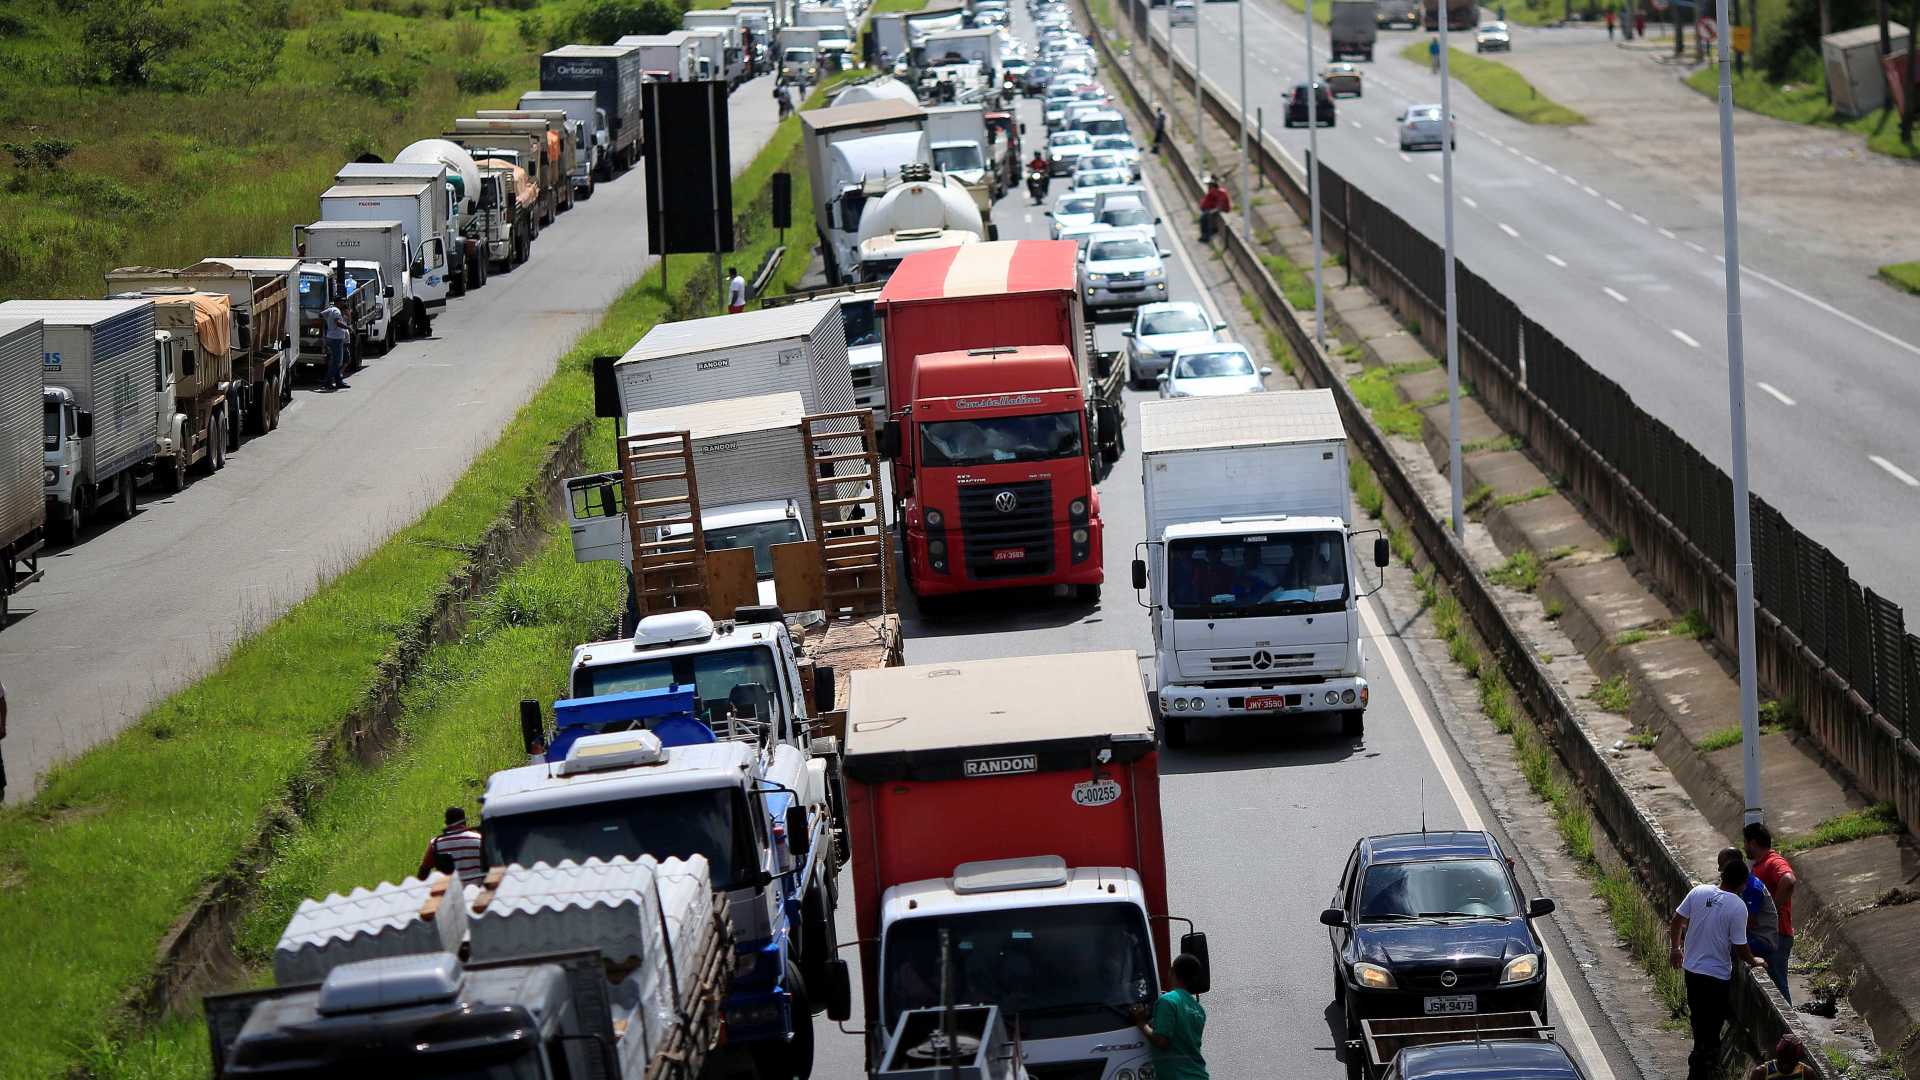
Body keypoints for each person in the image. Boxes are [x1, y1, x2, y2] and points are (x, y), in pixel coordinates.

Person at [1670, 858, 1766, 1080]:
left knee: (1698, 1018)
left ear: (1722, 876)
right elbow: (1741, 947)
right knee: (1712, 1025)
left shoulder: (1699, 892)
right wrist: (1755, 961)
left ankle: (1699, 1062)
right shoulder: (1738, 906)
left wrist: (1675, 948)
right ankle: (1703, 1066)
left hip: (1692, 970)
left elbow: (1677, 920)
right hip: (1717, 976)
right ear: (1743, 884)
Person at [1131, 953, 1208, 1080]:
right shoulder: (1198, 1009)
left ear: (1171, 972)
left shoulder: (1167, 1001)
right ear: (1194, 978)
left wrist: (1141, 1023)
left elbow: (1161, 1041)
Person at [1745, 821, 1797, 1002]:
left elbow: (1789, 880)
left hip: (1777, 934)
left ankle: (1789, 1030)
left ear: (1752, 843)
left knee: (1778, 988)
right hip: (1771, 934)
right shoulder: (1761, 865)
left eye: (1745, 842)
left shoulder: (1773, 861)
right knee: (1772, 989)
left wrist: (1773, 909)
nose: (1744, 847)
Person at [1718, 846, 1780, 965]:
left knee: (1723, 946)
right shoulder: (1737, 884)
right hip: (1750, 935)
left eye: (1723, 867)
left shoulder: (1751, 887)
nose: (1720, 871)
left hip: (1762, 939)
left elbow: (1749, 922)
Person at [419, 806, 486, 886]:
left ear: (446, 822)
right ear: (464, 821)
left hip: (449, 895)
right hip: (477, 893)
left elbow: (423, 872)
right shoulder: (479, 839)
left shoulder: (436, 843)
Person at [320, 295, 351, 391]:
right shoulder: (336, 311)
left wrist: (328, 324)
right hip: (336, 339)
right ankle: (328, 382)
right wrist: (347, 327)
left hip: (331, 337)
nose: (343, 303)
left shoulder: (330, 309)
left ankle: (338, 382)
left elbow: (320, 314)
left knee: (336, 361)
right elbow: (337, 322)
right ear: (337, 302)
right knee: (337, 362)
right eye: (342, 301)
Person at [1198, 177, 1230, 243]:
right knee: (1204, 218)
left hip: (1214, 210)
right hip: (1208, 209)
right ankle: (1206, 234)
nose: (1208, 187)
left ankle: (1206, 236)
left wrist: (1212, 211)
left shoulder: (1221, 193)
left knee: (1204, 218)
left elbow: (1220, 206)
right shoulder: (1212, 192)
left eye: (1209, 185)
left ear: (1213, 185)